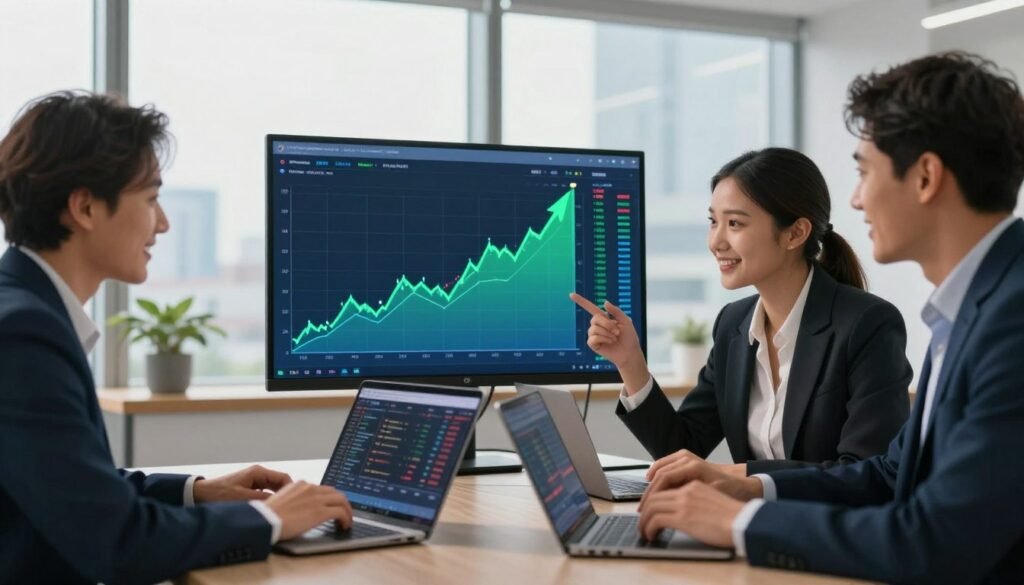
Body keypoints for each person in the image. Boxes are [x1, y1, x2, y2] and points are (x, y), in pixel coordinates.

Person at [635, 52, 1024, 584]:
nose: (857, 199)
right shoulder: (971, 309)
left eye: (864, 171)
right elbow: (890, 475)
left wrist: (744, 522)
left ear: (926, 176)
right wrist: (747, 486)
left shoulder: (1011, 321)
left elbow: (938, 541)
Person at [0, 91, 353, 584]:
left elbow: (67, 485)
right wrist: (272, 518)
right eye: (150, 200)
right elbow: (117, 542)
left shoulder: (24, 311)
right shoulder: (22, 334)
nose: (162, 223)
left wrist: (197, 491)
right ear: (84, 207)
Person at [571, 147, 912, 477]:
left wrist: (735, 477)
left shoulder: (867, 325)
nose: (716, 241)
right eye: (713, 221)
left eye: (734, 224)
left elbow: (867, 471)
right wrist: (630, 362)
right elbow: (680, 448)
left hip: (830, 530)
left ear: (795, 233)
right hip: (750, 527)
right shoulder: (733, 325)